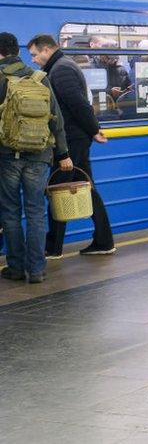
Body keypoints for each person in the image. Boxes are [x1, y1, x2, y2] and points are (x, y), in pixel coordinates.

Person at [27, 35, 115, 258]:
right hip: (75, 138)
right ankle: (102, 241)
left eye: (35, 55)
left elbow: (78, 104)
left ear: (47, 50)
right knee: (84, 188)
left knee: (58, 189)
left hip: (72, 140)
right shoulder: (62, 65)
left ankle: (54, 246)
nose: (34, 60)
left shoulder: (61, 70)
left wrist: (94, 130)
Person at [0, 33, 72, 282]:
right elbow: (57, 120)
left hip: (7, 156)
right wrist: (63, 153)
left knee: (10, 211)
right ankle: (38, 270)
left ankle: (17, 268)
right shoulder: (39, 77)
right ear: (17, 52)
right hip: (41, 155)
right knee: (36, 212)